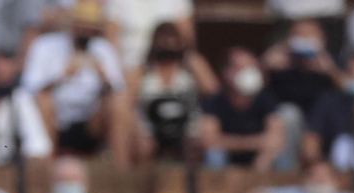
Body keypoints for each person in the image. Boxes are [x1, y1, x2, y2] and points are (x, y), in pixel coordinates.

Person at [21, 0, 130, 166]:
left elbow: (119, 91)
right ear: (71, 26)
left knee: (118, 103)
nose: (85, 33)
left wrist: (104, 78)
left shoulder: (103, 49)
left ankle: (121, 170)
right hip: (56, 119)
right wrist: (61, 76)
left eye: (89, 28)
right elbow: (28, 90)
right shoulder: (45, 45)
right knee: (44, 101)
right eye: (81, 27)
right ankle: (45, 170)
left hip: (91, 121)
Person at [132, 20, 215, 162]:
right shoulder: (144, 71)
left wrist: (190, 55)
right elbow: (129, 101)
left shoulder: (189, 68)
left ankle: (193, 183)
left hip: (185, 126)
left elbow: (212, 89)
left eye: (172, 38)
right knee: (142, 146)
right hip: (151, 127)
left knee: (198, 140)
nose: (167, 43)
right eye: (162, 38)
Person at [200, 47, 283, 170]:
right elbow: (210, 141)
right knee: (215, 155)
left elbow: (277, 139)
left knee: (277, 156)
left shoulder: (266, 99)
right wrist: (256, 142)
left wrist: (229, 142)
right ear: (226, 72)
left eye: (251, 68)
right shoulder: (214, 101)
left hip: (257, 163)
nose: (247, 73)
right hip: (226, 162)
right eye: (240, 68)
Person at [106, 0, 195, 77]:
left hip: (168, 59)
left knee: (196, 62)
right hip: (129, 63)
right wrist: (120, 73)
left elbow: (187, 38)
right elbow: (111, 42)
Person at [242, 158, 354, 193]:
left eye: (324, 179)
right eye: (316, 178)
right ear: (306, 180)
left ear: (335, 182)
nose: (319, 182)